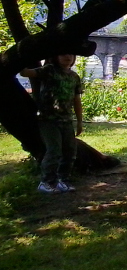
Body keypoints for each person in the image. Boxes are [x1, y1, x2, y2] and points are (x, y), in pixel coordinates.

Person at [20, 54, 83, 194]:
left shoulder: (74, 77)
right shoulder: (49, 70)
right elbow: (26, 73)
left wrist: (79, 121)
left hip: (66, 120)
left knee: (70, 151)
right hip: (48, 119)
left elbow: (76, 100)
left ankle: (62, 180)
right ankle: (46, 182)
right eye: (63, 54)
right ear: (56, 57)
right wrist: (19, 58)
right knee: (54, 150)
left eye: (70, 54)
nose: (67, 57)